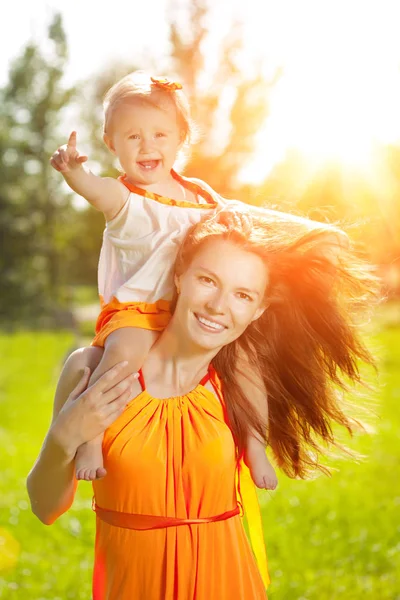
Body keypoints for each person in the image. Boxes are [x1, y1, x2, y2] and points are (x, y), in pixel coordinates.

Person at [27, 209, 377, 600]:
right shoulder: (93, 369)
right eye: (208, 280)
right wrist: (63, 438)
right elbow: (46, 509)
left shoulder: (238, 384)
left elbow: (325, 244)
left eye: (243, 295)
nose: (218, 306)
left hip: (229, 584)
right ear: (179, 276)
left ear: (258, 309)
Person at [49, 71, 347, 488]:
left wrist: (310, 233)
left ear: (180, 138)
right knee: (122, 355)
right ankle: (91, 439)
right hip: (138, 309)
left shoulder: (201, 195)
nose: (147, 146)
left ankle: (255, 443)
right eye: (132, 137)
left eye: (159, 135)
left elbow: (245, 215)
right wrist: (71, 170)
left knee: (246, 363)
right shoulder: (124, 197)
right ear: (111, 143)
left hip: (193, 307)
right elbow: (91, 188)